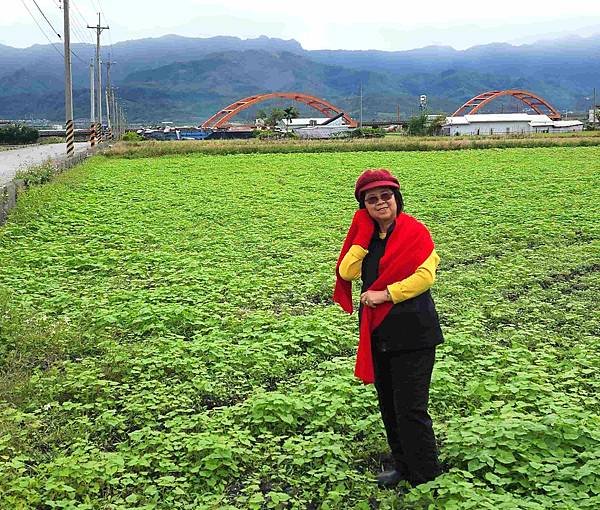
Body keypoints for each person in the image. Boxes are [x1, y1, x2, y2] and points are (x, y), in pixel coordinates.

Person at [333, 168, 444, 488]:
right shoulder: (366, 239)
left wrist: (386, 294)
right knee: (389, 405)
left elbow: (425, 277)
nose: (381, 203)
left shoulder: (415, 232)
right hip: (379, 333)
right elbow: (348, 271)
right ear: (363, 207)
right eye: (371, 199)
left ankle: (426, 476)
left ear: (397, 198)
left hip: (414, 331)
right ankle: (403, 466)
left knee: (411, 409)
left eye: (386, 196)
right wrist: (361, 236)